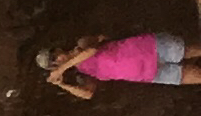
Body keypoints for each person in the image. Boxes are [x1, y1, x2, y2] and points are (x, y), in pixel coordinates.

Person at [47, 34, 195, 95]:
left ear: (58, 49)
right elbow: (87, 93)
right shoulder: (83, 73)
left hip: (148, 48)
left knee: (187, 51)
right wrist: (62, 85)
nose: (58, 59)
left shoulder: (81, 44)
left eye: (54, 55)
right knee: (186, 76)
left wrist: (62, 69)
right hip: (146, 74)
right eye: (54, 62)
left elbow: (91, 50)